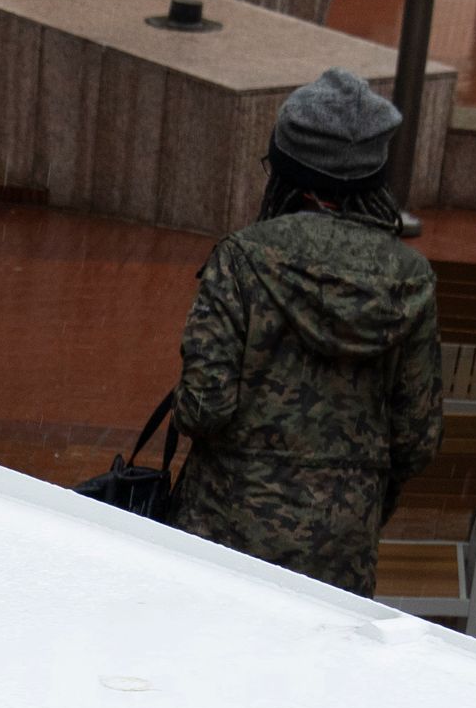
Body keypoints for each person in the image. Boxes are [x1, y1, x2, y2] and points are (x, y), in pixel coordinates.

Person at [170, 68, 445, 599]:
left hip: (226, 533)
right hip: (343, 549)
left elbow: (203, 407)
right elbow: (417, 440)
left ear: (286, 167)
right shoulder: (411, 280)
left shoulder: (244, 258)